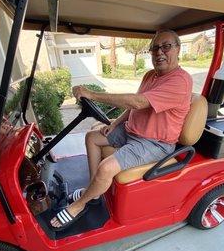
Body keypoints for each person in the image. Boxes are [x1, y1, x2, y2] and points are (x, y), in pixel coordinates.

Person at [51, 29, 193, 229]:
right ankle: (93, 191)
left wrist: (91, 94)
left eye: (166, 46)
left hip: (155, 143)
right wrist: (115, 123)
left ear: (178, 49)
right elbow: (133, 106)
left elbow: (137, 102)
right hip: (132, 131)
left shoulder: (180, 81)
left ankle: (79, 205)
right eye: (155, 48)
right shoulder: (151, 75)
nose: (159, 52)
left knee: (106, 167)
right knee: (92, 137)